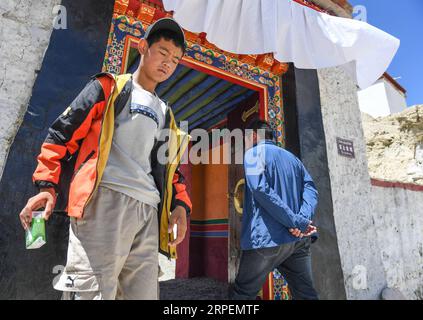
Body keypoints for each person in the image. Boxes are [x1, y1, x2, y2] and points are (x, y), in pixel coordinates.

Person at [18, 18, 192, 300]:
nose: (168, 64)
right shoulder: (108, 89)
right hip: (104, 201)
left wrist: (181, 207)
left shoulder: (166, 114)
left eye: (175, 59)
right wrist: (46, 186)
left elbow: (171, 171)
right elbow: (62, 134)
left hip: (147, 211)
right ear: (143, 47)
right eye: (162, 52)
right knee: (92, 293)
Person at [230, 119, 319, 300]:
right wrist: (301, 220)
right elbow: (311, 189)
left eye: (246, 138)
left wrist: (295, 221)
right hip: (297, 240)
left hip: (266, 239)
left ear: (253, 135)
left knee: (242, 293)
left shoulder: (253, 154)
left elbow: (260, 189)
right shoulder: (293, 159)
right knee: (305, 294)